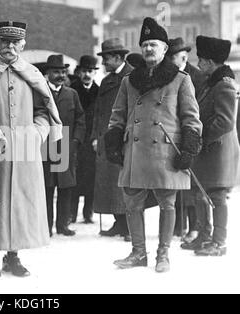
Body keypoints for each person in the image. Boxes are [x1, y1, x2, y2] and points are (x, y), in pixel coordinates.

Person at [106, 17, 202, 273]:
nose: (149, 49)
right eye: (145, 44)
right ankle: (138, 253)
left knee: (167, 203)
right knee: (131, 203)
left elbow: (192, 118)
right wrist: (114, 141)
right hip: (135, 151)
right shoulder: (129, 81)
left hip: (166, 151)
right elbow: (117, 115)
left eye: (154, 44)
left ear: (164, 49)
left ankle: (163, 253)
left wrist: (190, 147)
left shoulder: (180, 80)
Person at [0, 21, 62, 280]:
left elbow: (45, 110)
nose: (10, 46)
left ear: (23, 44)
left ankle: (13, 255)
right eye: (5, 41)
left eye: (15, 42)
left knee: (20, 202)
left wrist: (37, 133)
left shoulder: (31, 72)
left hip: (24, 150)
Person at [184, 35, 240, 256]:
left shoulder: (224, 85)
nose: (198, 64)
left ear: (210, 62)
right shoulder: (212, 83)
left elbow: (225, 122)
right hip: (210, 149)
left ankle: (219, 242)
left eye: (201, 60)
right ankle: (204, 236)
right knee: (200, 193)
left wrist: (200, 136)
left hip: (219, 150)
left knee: (216, 195)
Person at [91, 38, 132, 241]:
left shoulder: (132, 76)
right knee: (110, 182)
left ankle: (130, 225)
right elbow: (98, 112)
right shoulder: (107, 80)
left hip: (123, 138)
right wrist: (95, 136)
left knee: (125, 183)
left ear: (117, 57)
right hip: (106, 137)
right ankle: (119, 222)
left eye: (106, 58)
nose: (103, 63)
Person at [167, 37, 207, 242]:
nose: (168, 60)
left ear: (183, 56)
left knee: (191, 185)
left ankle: (194, 227)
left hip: (191, 135)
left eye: (171, 57)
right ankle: (177, 226)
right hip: (174, 135)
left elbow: (197, 109)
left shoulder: (197, 76)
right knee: (177, 182)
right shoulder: (169, 75)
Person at [43, 54, 85, 237]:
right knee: (47, 187)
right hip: (46, 145)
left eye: (62, 72)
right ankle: (45, 227)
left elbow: (80, 120)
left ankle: (62, 225)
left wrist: (75, 141)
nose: (60, 75)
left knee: (65, 187)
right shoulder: (41, 93)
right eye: (56, 72)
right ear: (48, 74)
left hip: (66, 145)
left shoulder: (72, 94)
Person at [69, 55, 99, 224]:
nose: (87, 74)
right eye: (84, 71)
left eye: (90, 71)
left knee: (91, 177)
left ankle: (88, 212)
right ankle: (71, 213)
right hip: (75, 139)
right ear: (79, 72)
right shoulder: (72, 90)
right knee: (75, 177)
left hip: (92, 141)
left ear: (94, 73)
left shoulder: (99, 91)